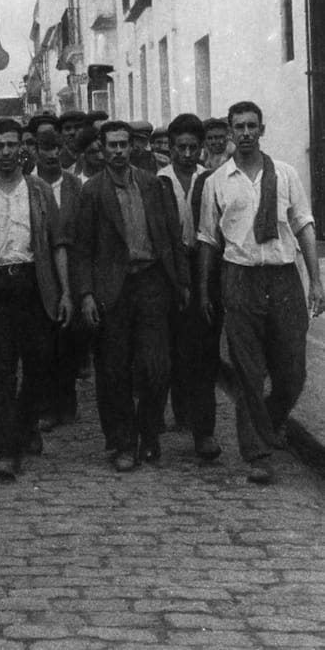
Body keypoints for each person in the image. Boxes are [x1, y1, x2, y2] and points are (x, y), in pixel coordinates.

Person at [198, 100, 325, 484]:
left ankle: (266, 422)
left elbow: (304, 225)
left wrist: (316, 280)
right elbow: (208, 238)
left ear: (262, 129)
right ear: (231, 132)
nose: (247, 132)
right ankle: (257, 453)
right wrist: (205, 288)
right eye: (239, 126)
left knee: (292, 373)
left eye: (253, 125)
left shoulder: (285, 175)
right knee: (248, 371)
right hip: (240, 279)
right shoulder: (218, 181)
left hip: (284, 279)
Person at [0, 117, 73, 481]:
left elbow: (57, 245)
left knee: (39, 366)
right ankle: (6, 451)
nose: (6, 153)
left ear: (23, 148)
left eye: (12, 145)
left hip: (32, 285)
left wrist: (65, 291)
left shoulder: (38, 191)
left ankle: (24, 425)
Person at [77, 120, 189, 471]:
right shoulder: (93, 192)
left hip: (152, 282)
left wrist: (182, 281)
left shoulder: (153, 185)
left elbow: (172, 237)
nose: (119, 151)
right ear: (102, 147)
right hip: (114, 287)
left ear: (131, 147)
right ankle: (124, 442)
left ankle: (149, 430)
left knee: (158, 366)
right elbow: (82, 249)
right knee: (114, 369)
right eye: (112, 145)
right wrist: (86, 294)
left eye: (124, 144)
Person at [158, 113, 222, 460]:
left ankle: (204, 432)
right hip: (167, 273)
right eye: (180, 147)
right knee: (170, 351)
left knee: (204, 355)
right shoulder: (158, 181)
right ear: (170, 148)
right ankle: (167, 412)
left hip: (204, 270)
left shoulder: (210, 180)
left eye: (192, 147)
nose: (186, 153)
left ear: (200, 149)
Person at [35, 129, 83, 426]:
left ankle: (67, 398)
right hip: (41, 272)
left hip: (72, 271)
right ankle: (47, 405)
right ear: (36, 151)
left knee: (71, 341)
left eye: (57, 148)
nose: (52, 155)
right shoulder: (29, 185)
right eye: (45, 148)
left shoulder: (74, 184)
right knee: (44, 342)